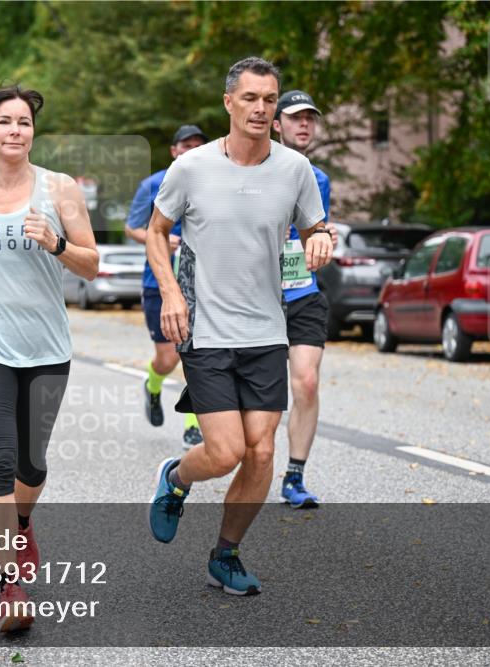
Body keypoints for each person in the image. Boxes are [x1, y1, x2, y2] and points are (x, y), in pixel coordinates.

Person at [146, 57, 334, 596]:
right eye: (249, 98)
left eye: (269, 99)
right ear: (229, 103)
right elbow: (158, 232)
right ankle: (176, 478)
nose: (260, 108)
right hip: (204, 329)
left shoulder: (294, 170)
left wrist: (320, 239)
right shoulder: (192, 168)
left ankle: (225, 555)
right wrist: (171, 293)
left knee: (262, 453)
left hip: (265, 330)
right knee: (225, 451)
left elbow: (315, 228)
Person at [0, 85, 98, 632]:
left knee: (33, 465)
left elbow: (92, 265)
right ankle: (9, 586)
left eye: (24, 122)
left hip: (46, 348)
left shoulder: (60, 190)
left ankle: (23, 520)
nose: (15, 130)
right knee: (0, 461)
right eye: (4, 122)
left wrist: (56, 243)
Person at [271, 89, 338, 508]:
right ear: (276, 124)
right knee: (259, 395)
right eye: (295, 117)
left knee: (307, 382)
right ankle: (248, 459)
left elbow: (316, 238)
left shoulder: (319, 180)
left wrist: (324, 242)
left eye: (310, 118)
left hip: (303, 293)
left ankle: (294, 476)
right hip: (255, 298)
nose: (305, 125)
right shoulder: (252, 171)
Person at [125, 124, 208, 451]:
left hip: (200, 284)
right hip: (157, 282)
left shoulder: (213, 182)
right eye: (185, 146)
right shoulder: (153, 184)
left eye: (198, 146)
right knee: (168, 357)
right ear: (174, 151)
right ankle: (154, 383)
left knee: (196, 353)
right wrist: (161, 239)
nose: (191, 151)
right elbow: (132, 228)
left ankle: (193, 425)